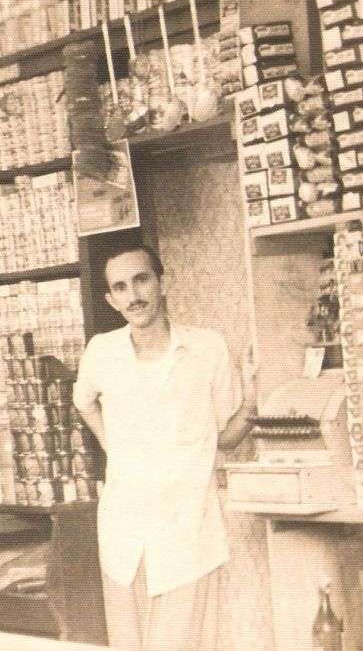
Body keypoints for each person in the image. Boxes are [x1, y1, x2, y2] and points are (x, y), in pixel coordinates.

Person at [72, 243, 258, 651]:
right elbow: (82, 400)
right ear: (110, 299)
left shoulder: (207, 348)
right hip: (125, 538)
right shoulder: (102, 352)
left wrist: (250, 406)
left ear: (163, 282)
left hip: (187, 533)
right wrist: (112, 447)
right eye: (120, 287)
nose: (133, 295)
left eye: (141, 280)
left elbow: (223, 436)